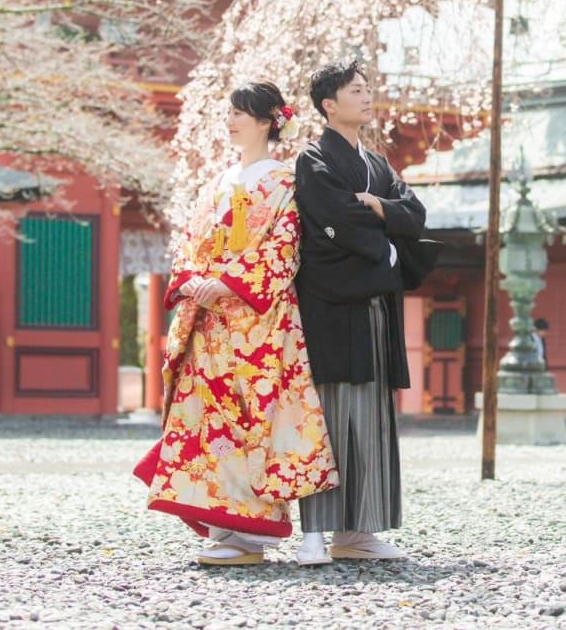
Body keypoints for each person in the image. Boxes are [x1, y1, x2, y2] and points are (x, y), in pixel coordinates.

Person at [133, 81, 338, 566]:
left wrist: (225, 285)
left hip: (257, 325)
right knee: (208, 422)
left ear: (269, 120)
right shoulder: (219, 182)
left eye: (241, 112)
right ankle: (226, 524)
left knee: (254, 421)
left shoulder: (286, 183)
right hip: (211, 324)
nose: (231, 120)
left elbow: (283, 250)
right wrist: (193, 281)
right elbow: (189, 244)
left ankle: (252, 532)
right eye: (229, 111)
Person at [292, 60, 430, 563]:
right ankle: (315, 529)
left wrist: (377, 208)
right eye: (357, 90)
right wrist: (385, 241)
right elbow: (334, 222)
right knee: (327, 414)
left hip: (373, 305)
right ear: (328, 104)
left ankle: (357, 531)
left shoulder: (377, 164)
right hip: (330, 304)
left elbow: (414, 214)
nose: (368, 97)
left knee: (371, 413)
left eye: (369, 89)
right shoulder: (312, 159)